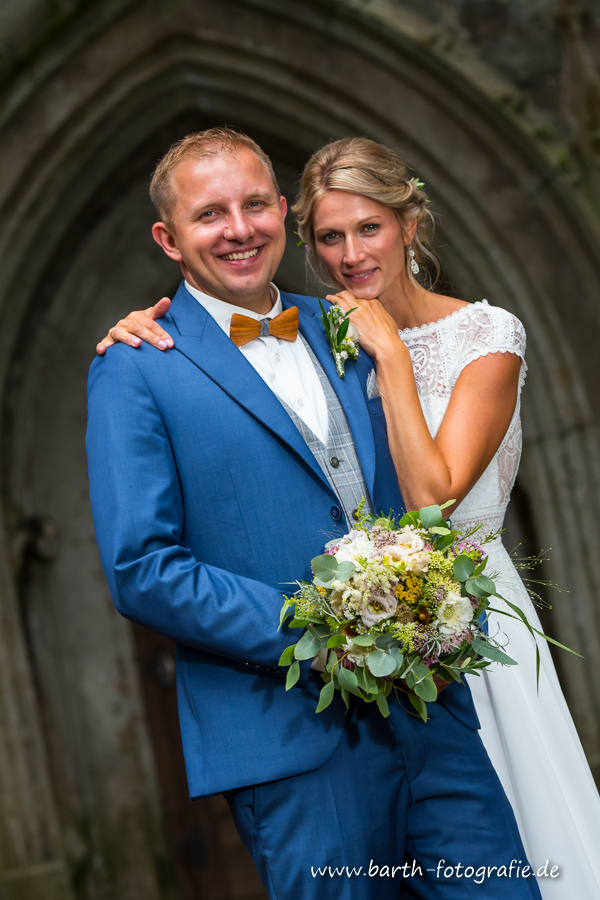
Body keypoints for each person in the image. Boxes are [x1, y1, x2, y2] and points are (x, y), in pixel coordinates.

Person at [99, 134, 600, 898]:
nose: (239, 228)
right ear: (169, 239)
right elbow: (143, 571)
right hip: (294, 743)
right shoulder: (136, 364)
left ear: (280, 212)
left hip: (436, 718)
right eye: (210, 214)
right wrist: (323, 633)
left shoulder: (348, 325)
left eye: (255, 204)